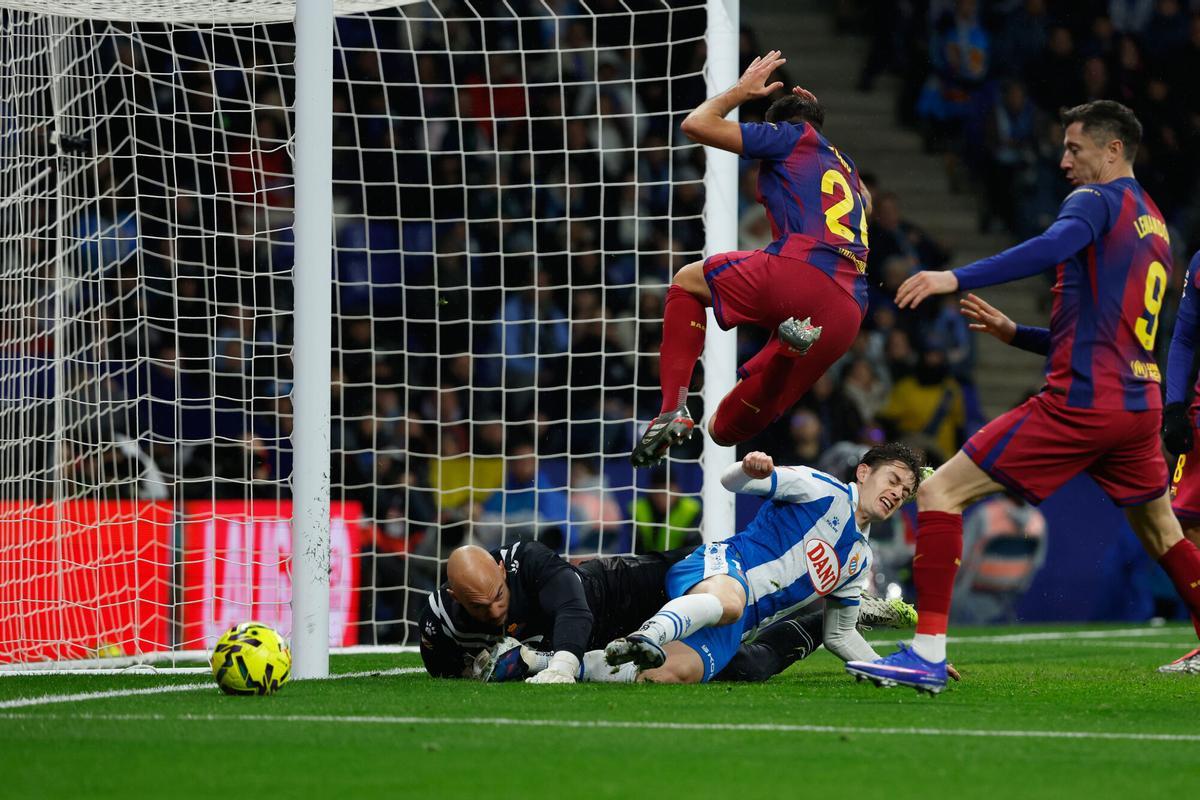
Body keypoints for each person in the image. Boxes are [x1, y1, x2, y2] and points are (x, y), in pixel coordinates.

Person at [846, 100, 1200, 694]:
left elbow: (1048, 247)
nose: (1063, 161)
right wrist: (1017, 334)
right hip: (1137, 404)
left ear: (1113, 149)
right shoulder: (1155, 224)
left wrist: (953, 276)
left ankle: (926, 654)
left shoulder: (1095, 201)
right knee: (1165, 535)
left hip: (1082, 403)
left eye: (1075, 148)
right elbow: (1103, 332)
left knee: (938, 491)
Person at [631, 50, 871, 467]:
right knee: (724, 430)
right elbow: (866, 202)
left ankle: (673, 406)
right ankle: (786, 353)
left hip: (800, 273)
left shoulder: (790, 135)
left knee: (686, 282)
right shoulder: (846, 165)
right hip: (847, 312)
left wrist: (740, 92)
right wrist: (813, 117)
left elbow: (696, 124)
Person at [603, 444, 924, 684]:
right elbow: (732, 481)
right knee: (730, 603)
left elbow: (840, 635)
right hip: (723, 567)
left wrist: (895, 671)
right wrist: (748, 468)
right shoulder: (819, 488)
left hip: (739, 627)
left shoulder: (859, 558)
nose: (897, 493)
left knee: (665, 675)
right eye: (893, 480)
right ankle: (650, 634)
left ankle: (576, 666)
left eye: (905, 491)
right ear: (864, 472)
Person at [420, 539, 919, 684]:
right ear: (457, 598)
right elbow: (445, 671)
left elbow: (572, 606)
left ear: (501, 571)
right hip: (607, 643)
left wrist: (563, 663)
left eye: (499, 596)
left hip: (631, 590)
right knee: (749, 668)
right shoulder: (442, 623)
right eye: (480, 606)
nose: (495, 610)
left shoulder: (526, 560)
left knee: (734, 605)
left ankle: (849, 606)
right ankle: (828, 620)